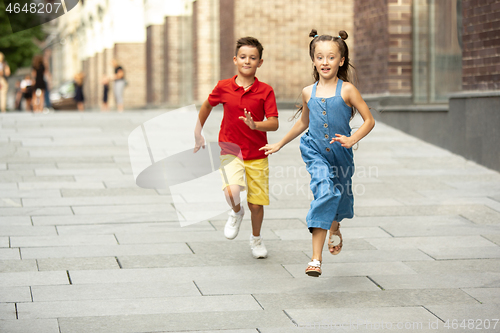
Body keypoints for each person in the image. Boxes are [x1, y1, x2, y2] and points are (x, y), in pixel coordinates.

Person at [260, 30, 375, 276]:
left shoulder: (348, 90)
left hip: (341, 154)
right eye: (320, 57)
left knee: (339, 198)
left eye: (331, 57)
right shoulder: (307, 92)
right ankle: (315, 259)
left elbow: (369, 120)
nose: (325, 62)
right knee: (324, 192)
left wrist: (353, 138)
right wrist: (280, 143)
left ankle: (335, 228)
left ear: (341, 60)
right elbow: (303, 123)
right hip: (314, 152)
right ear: (313, 59)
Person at [194, 37, 279, 259]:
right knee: (231, 191)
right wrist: (198, 131)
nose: (247, 61)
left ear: (260, 62)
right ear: (235, 60)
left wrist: (256, 125)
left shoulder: (266, 91)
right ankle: (235, 211)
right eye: (243, 57)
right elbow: (206, 105)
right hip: (231, 150)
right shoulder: (223, 87)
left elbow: (274, 122)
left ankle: (256, 239)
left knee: (257, 205)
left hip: (257, 153)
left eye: (253, 58)